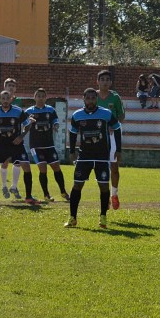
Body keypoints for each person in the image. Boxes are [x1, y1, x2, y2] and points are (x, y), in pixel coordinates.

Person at [65, 88, 117, 229]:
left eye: (93, 98)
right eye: (88, 98)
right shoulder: (77, 115)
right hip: (84, 157)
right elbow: (73, 133)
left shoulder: (106, 113)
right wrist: (71, 151)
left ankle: (103, 217)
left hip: (101, 157)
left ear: (97, 99)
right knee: (77, 185)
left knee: (104, 186)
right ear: (84, 99)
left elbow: (116, 127)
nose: (90, 101)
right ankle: (72, 217)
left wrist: (118, 149)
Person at [24, 88, 68, 201]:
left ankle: (63, 192)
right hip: (36, 146)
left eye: (43, 96)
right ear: (34, 97)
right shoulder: (29, 111)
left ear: (45, 97)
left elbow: (55, 121)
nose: (40, 98)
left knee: (56, 167)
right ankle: (46, 195)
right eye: (38, 96)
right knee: (43, 169)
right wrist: (29, 121)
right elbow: (23, 123)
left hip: (49, 145)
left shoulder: (50, 110)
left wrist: (56, 126)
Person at [96, 69, 125, 210]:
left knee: (114, 167)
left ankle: (114, 194)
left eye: (108, 79)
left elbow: (121, 116)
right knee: (100, 168)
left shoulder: (115, 97)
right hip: (97, 138)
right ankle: (104, 195)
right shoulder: (92, 96)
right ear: (98, 81)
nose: (105, 82)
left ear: (111, 82)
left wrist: (113, 126)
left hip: (112, 136)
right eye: (102, 79)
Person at [0, 78, 25, 199]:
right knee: (4, 162)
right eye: (9, 85)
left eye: (13, 86)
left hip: (16, 137)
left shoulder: (19, 101)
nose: (11, 88)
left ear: (15, 88)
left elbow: (20, 118)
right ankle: (4, 186)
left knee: (18, 162)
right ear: (4, 87)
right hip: (3, 137)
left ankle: (14, 187)